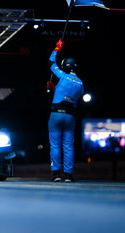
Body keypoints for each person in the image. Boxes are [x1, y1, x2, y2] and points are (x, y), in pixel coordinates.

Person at [48, 38, 84, 183]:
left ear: (65, 66)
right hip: (70, 116)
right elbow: (74, 98)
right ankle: (68, 175)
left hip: (56, 114)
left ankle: (56, 174)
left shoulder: (62, 76)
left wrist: (57, 48)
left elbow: (51, 62)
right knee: (68, 146)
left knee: (55, 144)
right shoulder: (81, 83)